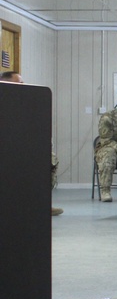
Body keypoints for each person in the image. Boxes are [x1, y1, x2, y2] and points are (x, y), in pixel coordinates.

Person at [1, 71, 62, 215]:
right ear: (6, 84)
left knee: (50, 159)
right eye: (20, 83)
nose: (23, 86)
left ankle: (41, 202)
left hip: (22, 148)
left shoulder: (25, 104)